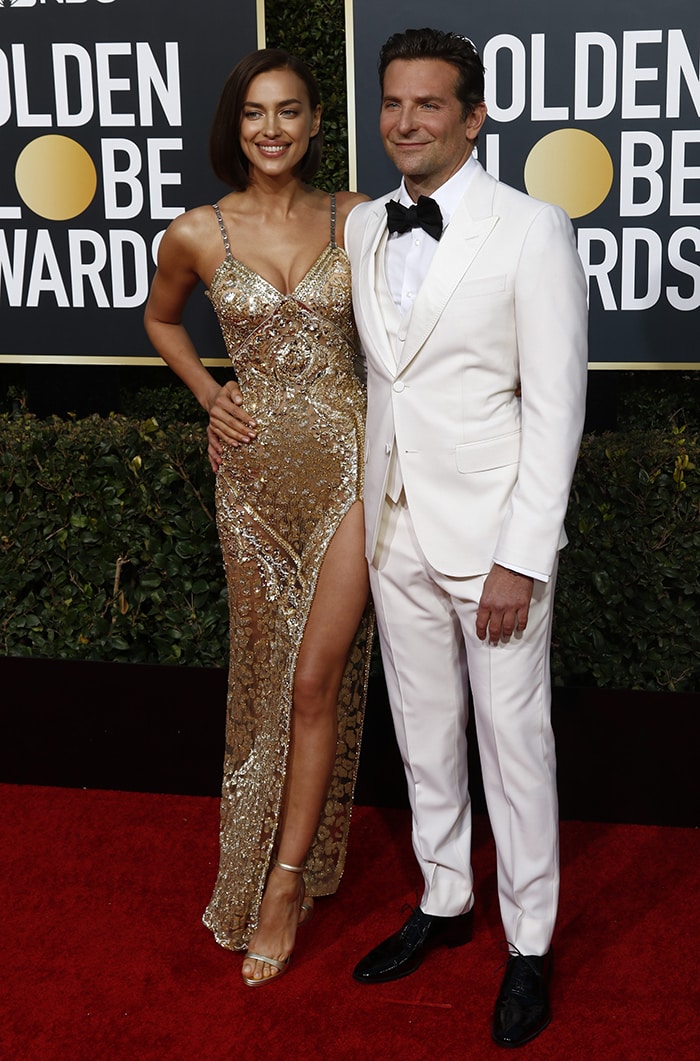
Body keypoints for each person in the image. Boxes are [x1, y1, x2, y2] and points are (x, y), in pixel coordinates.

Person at [344, 28, 588, 1047]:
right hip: (393, 522)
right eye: (393, 103)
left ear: (473, 116)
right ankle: (445, 895)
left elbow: (557, 405)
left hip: (491, 539)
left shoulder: (531, 229)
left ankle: (528, 938)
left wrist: (521, 555)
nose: (405, 121)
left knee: (513, 743)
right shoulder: (363, 229)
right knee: (421, 725)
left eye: (429, 105)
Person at [144, 48, 372, 988]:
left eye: (288, 112)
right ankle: (259, 861)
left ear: (318, 122)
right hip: (250, 484)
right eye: (253, 113)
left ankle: (284, 883)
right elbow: (161, 321)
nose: (270, 129)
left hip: (355, 472)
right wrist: (208, 393)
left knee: (316, 680)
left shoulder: (360, 219)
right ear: (234, 126)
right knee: (265, 680)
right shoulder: (196, 233)